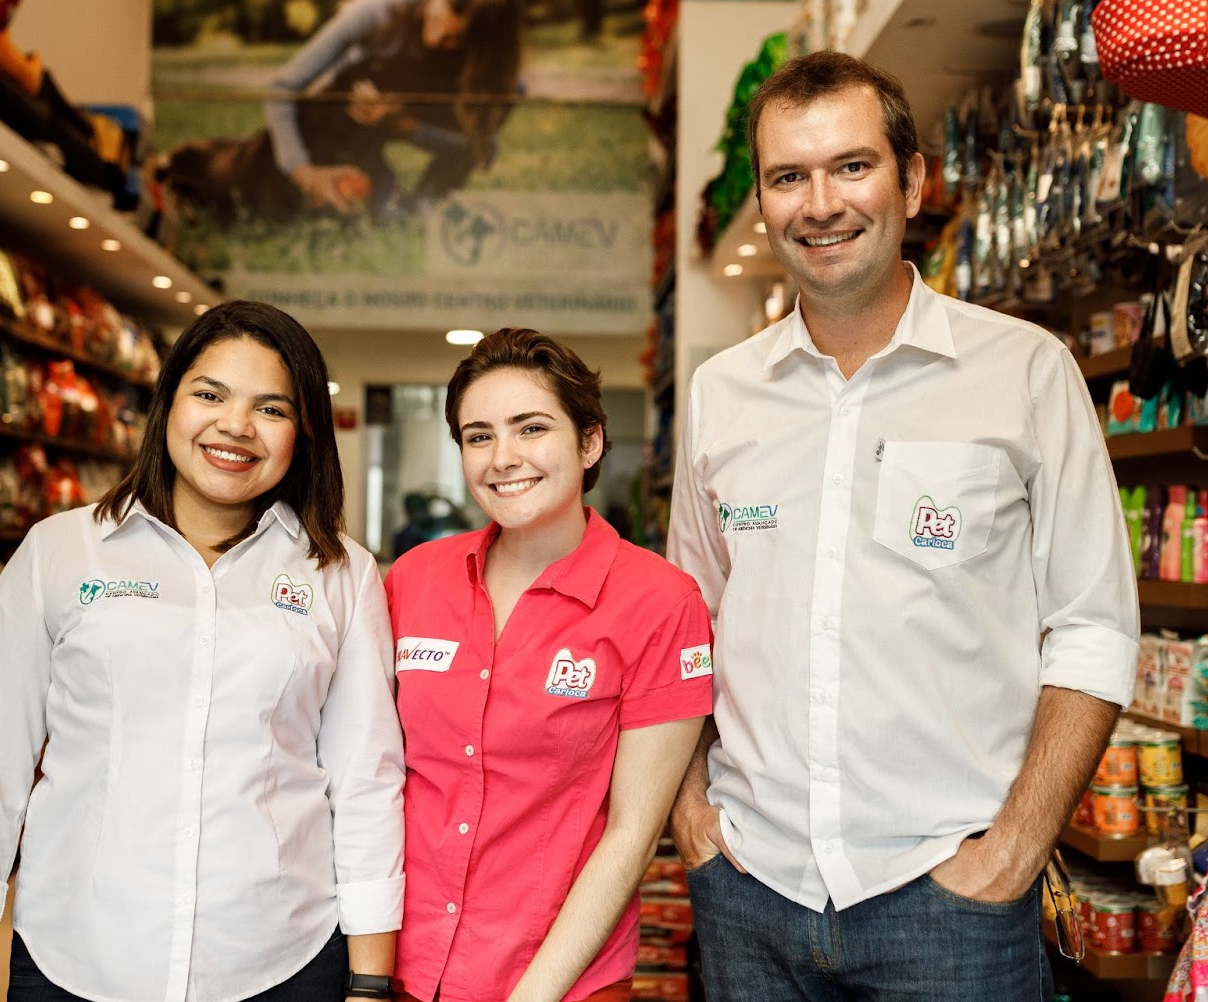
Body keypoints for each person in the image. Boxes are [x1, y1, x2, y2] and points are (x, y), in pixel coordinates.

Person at [666, 51, 1139, 1000]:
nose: (821, 203)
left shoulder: (1026, 371)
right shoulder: (721, 392)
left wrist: (1014, 848)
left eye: (852, 166)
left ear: (913, 179)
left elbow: (1092, 625)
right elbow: (686, 627)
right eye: (789, 177)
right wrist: (690, 813)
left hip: (950, 901)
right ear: (762, 202)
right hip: (750, 891)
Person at [0, 300, 406, 1002]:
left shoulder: (341, 574)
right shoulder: (60, 551)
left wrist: (368, 983)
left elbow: (363, 785)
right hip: (76, 958)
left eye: (271, 408)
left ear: (303, 432)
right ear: (168, 403)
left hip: (280, 962)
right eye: (209, 394)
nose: (235, 426)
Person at [385, 329, 713, 1001]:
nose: (502, 458)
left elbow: (631, 834)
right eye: (478, 436)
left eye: (530, 428)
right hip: (401, 971)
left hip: (561, 984)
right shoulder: (413, 581)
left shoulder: (659, 603)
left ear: (589, 441)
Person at [265, 0, 523, 218]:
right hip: (348, 123)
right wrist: (302, 172)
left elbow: (481, 152)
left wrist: (405, 126)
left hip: (406, 118)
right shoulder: (384, 7)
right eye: (434, 21)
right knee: (376, 214)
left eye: (455, 40)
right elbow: (283, 88)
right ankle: (385, 197)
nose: (434, 40)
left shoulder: (498, 75)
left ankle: (425, 201)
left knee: (414, 213)